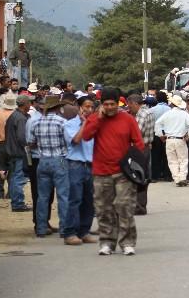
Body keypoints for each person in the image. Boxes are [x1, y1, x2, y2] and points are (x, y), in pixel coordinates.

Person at [82, 88, 145, 256]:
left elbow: (138, 143)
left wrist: (133, 164)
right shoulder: (95, 118)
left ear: (118, 104)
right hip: (101, 171)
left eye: (112, 104)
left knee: (124, 206)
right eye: (106, 104)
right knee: (103, 209)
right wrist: (98, 119)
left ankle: (127, 242)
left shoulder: (128, 119)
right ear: (102, 104)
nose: (109, 107)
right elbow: (86, 136)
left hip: (123, 172)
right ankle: (107, 242)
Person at [29, 95, 70, 238]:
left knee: (42, 197)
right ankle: (64, 229)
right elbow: (68, 142)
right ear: (58, 108)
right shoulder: (62, 122)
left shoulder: (36, 122)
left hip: (42, 160)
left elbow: (31, 142)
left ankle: (40, 228)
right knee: (63, 196)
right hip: (59, 160)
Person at [63, 96, 96, 245]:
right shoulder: (70, 124)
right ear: (79, 107)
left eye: (91, 107)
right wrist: (84, 124)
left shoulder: (95, 124)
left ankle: (84, 231)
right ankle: (70, 232)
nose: (89, 110)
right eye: (86, 107)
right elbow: (76, 140)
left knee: (89, 201)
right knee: (75, 199)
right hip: (75, 164)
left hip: (91, 165)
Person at [154, 95, 189, 187]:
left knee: (172, 160)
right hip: (180, 139)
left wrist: (160, 135)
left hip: (169, 139)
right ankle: (182, 178)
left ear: (172, 104)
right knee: (183, 159)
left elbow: (157, 123)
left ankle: (177, 179)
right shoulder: (184, 114)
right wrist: (188, 135)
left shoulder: (167, 114)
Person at [5, 94, 33, 212]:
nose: (30, 104)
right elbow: (22, 137)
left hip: (12, 150)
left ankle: (16, 202)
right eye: (29, 103)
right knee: (18, 177)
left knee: (14, 177)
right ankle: (18, 203)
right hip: (18, 152)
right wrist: (30, 145)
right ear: (25, 104)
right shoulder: (20, 118)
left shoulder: (15, 115)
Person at [127, 94, 155, 215]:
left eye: (130, 105)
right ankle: (140, 205)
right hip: (145, 147)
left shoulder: (142, 114)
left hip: (139, 148)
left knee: (138, 176)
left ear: (135, 103)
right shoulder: (148, 112)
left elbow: (136, 131)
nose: (129, 108)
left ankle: (139, 206)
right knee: (142, 176)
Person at [149, 91, 171, 181]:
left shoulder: (152, 110)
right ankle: (167, 176)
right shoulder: (170, 109)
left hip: (156, 134)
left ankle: (155, 176)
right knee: (167, 156)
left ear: (157, 99)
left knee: (155, 156)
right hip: (167, 134)